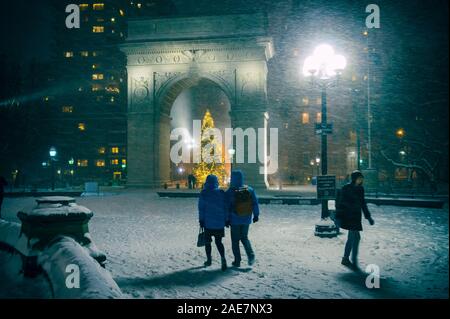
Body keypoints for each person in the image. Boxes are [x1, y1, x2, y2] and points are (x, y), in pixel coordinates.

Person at [335, 170, 375, 271]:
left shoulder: (360, 189)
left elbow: (363, 203)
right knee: (352, 237)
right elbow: (341, 203)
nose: (361, 180)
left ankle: (351, 258)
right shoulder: (346, 188)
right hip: (349, 216)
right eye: (359, 178)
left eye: (362, 178)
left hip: (356, 216)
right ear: (354, 179)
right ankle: (346, 258)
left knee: (356, 237)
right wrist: (339, 216)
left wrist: (368, 217)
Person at [225, 170, 260, 267]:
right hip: (246, 218)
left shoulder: (230, 191)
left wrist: (226, 219)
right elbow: (255, 203)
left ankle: (237, 261)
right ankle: (251, 255)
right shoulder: (249, 189)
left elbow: (227, 207)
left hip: (234, 219)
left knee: (235, 241)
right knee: (244, 238)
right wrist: (256, 215)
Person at [198, 174, 228, 271]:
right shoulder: (221, 193)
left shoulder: (204, 193)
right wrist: (226, 219)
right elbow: (226, 208)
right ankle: (223, 259)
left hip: (208, 222)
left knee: (208, 243)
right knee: (219, 242)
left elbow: (201, 208)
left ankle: (209, 260)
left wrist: (201, 220)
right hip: (219, 223)